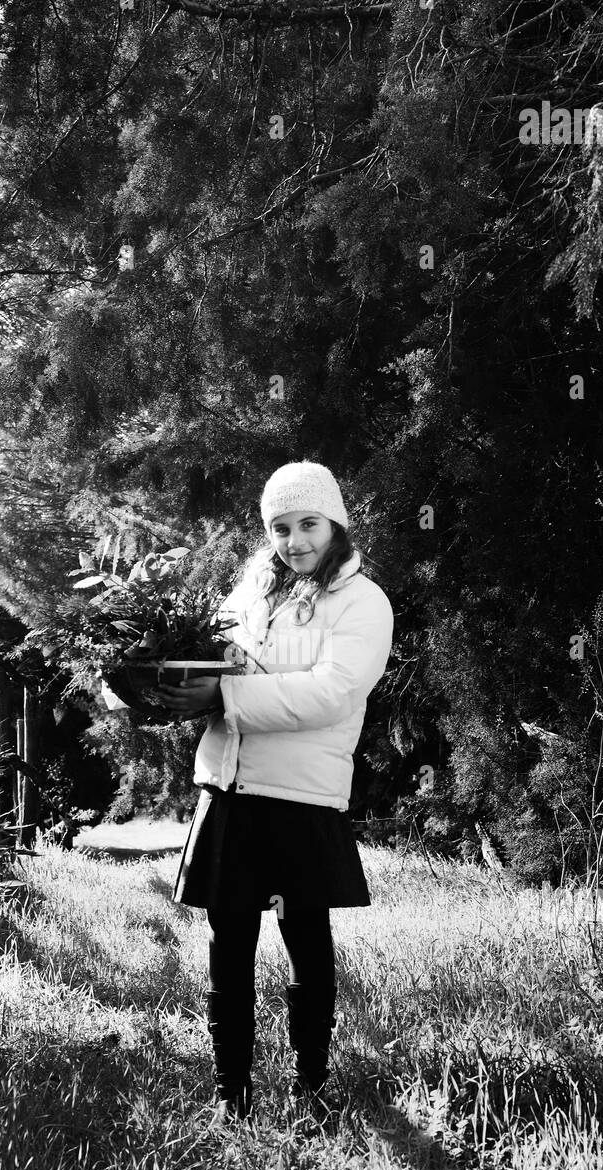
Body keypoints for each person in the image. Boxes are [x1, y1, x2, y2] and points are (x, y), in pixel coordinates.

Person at [158, 460, 394, 1130]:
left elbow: (331, 692)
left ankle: (310, 1087)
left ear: (336, 523)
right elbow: (210, 666)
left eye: (308, 524)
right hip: (229, 791)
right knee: (228, 944)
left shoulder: (362, 602)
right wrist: (162, 685)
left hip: (300, 799)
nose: (295, 540)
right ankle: (229, 1093)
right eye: (280, 528)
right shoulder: (248, 595)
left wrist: (224, 697)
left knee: (306, 941)